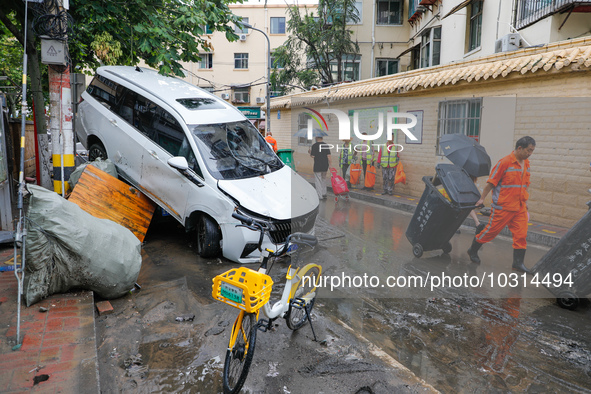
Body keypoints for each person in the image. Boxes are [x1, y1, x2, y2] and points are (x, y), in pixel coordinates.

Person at [467, 136, 536, 273]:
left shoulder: (526, 163)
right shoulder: (504, 163)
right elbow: (491, 183)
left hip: (519, 207)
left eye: (532, 151)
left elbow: (525, 184)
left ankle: (518, 263)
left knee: (521, 235)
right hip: (503, 207)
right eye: (528, 150)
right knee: (490, 232)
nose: (530, 154)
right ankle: (472, 250)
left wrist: (526, 202)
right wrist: (482, 199)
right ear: (519, 148)